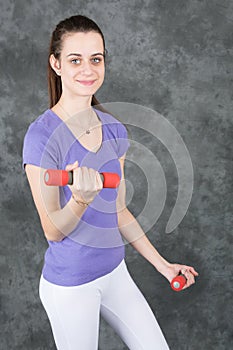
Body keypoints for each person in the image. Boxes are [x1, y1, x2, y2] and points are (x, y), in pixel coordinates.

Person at [22, 15, 198, 350]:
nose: (87, 70)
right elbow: (53, 230)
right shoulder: (42, 136)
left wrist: (164, 267)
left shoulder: (115, 130)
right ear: (56, 64)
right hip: (71, 285)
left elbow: (118, 211)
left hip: (115, 272)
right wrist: (80, 199)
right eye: (75, 60)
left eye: (96, 59)